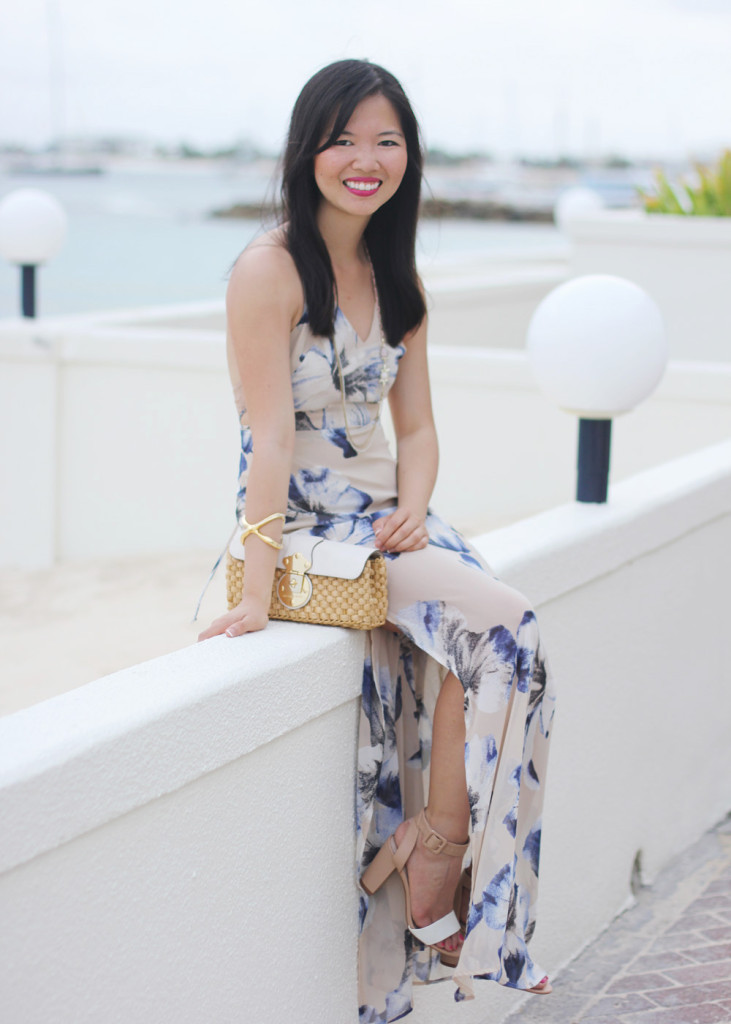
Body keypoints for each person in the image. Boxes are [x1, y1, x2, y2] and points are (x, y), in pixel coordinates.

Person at [198, 58, 557, 1023]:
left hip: (391, 526)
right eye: (344, 139)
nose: (365, 160)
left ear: (410, 155)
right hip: (314, 532)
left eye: (386, 140)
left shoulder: (397, 277)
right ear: (307, 148)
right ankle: (442, 868)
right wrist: (253, 586)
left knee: (491, 650)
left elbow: (422, 431)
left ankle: (427, 849)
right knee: (510, 630)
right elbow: (268, 439)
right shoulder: (267, 269)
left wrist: (416, 504)